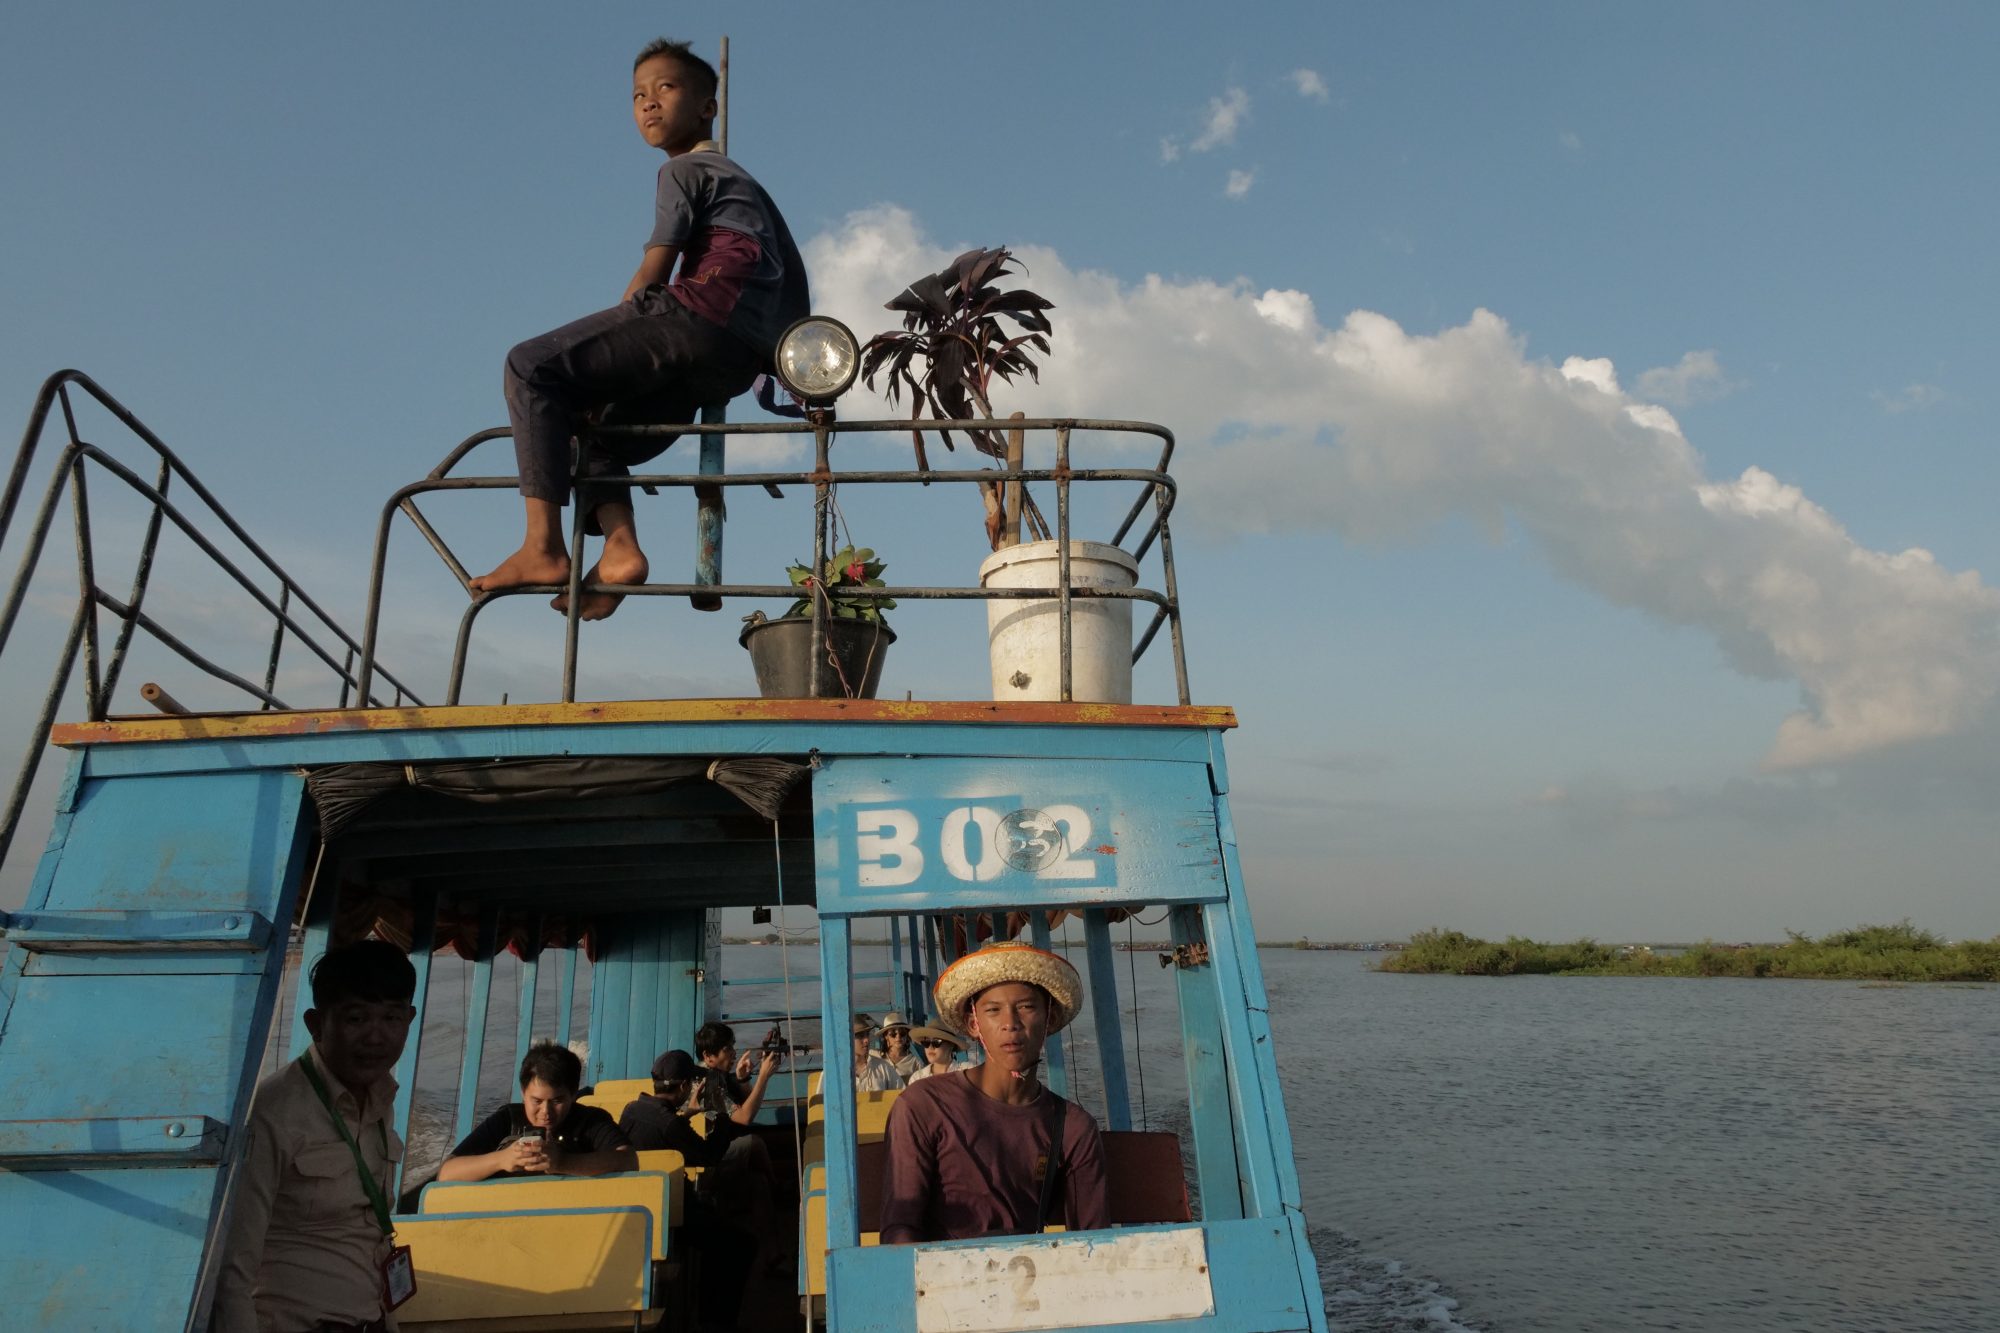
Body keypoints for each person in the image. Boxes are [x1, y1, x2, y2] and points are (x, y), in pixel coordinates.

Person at [469, 37, 810, 620]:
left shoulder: (687, 168)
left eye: (666, 88)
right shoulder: (749, 190)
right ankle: (621, 551)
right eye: (637, 96)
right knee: (585, 430)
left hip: (695, 317)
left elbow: (656, 266)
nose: (649, 103)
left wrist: (624, 322)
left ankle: (542, 547)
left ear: (708, 107)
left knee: (531, 367)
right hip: (733, 359)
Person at [215, 939, 418, 1332]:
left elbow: (368, 1236)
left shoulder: (380, 1099)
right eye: (356, 1019)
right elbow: (231, 1270)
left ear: (409, 1019)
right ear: (315, 1023)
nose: (376, 1038)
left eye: (392, 1019)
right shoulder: (273, 1113)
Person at [880, 943, 1108, 1244]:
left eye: (1026, 1007)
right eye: (993, 1010)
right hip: (941, 1283)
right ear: (974, 1024)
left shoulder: (1073, 1128)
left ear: (1049, 1019)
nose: (1010, 1025)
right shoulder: (923, 1106)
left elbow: (1092, 1242)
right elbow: (900, 1228)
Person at [618, 1052, 754, 1332]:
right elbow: (709, 1157)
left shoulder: (632, 1109)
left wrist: (687, 1114)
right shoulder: (671, 1124)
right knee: (739, 1243)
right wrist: (720, 1115)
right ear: (682, 1087)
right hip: (669, 1215)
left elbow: (662, 1128)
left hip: (634, 1212)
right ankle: (715, 1321)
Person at [437, 1042, 631, 1181]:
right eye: (536, 1101)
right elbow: (446, 1173)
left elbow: (627, 1159)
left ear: (573, 1094)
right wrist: (502, 1159)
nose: (545, 1112)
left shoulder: (590, 1120)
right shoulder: (507, 1120)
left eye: (557, 1101)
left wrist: (563, 1162)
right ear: (523, 1093)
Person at [903, 1020, 965, 1084]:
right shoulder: (917, 1078)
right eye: (926, 1042)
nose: (930, 1047)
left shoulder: (967, 1072)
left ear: (951, 1045)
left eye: (936, 1042)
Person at [879, 1011, 922, 1079]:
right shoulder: (877, 1058)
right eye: (893, 1033)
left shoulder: (915, 1062)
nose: (898, 1037)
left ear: (907, 1035)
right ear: (886, 1036)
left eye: (902, 1033)